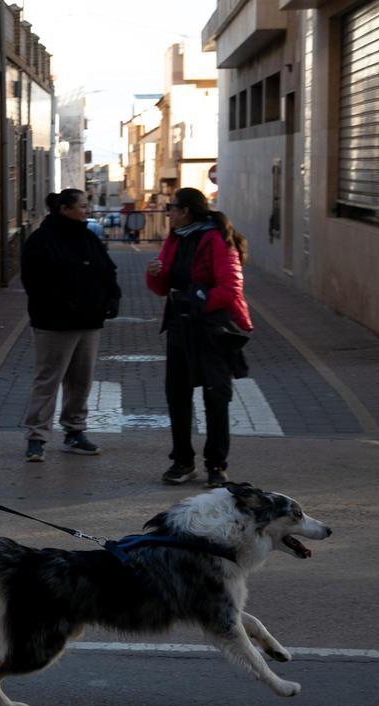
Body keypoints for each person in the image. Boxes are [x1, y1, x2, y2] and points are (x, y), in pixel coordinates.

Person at [146, 187, 253, 488]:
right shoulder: (175, 238)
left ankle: (216, 464)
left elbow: (230, 287)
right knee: (177, 396)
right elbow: (162, 285)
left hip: (211, 328)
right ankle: (182, 462)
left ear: (187, 211)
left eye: (172, 207)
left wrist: (197, 300)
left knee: (215, 396)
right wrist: (155, 273)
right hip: (180, 327)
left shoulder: (217, 238)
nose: (168, 212)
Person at [20, 189, 121, 463]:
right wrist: (66, 305)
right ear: (64, 208)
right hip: (55, 324)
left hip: (89, 323)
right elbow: (36, 283)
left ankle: (75, 432)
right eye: (83, 206)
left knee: (80, 381)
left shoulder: (88, 237)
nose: (87, 211)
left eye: (87, 206)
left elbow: (107, 270)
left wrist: (112, 298)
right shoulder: (42, 241)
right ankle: (37, 438)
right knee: (48, 380)